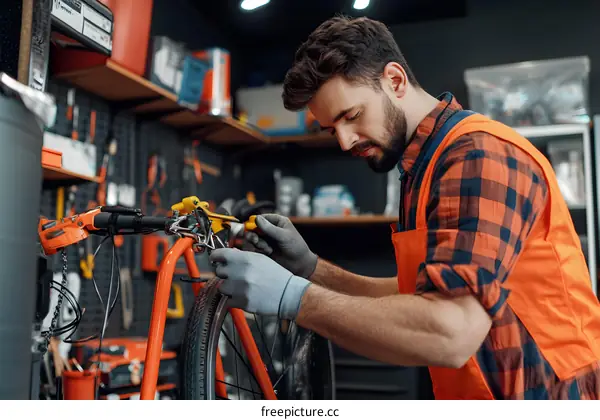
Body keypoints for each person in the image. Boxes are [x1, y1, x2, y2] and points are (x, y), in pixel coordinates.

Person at [209, 15, 600, 399]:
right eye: (333, 129)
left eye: (352, 116)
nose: (345, 142)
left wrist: (292, 298)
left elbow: (451, 332)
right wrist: (310, 268)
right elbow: (418, 296)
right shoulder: (424, 165)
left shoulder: (477, 155)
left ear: (394, 80)